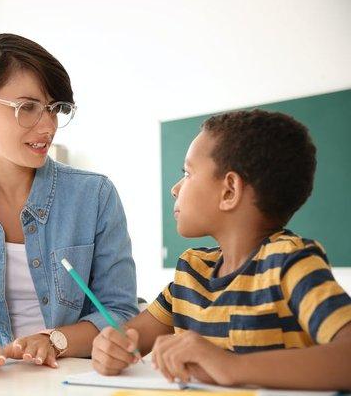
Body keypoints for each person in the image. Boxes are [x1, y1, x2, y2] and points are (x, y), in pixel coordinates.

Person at [0, 33, 139, 374]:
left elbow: (119, 311)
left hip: (72, 379)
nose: (48, 125)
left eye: (55, 109)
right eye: (28, 107)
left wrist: (55, 339)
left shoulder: (94, 195)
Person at [91, 109, 351, 390]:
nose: (176, 189)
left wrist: (232, 367)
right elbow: (128, 339)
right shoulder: (191, 271)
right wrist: (110, 348)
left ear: (229, 191)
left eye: (188, 173)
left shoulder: (289, 262)